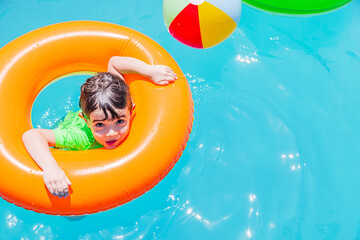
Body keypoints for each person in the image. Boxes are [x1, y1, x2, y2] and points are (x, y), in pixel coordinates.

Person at [22, 56, 178, 199]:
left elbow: (114, 63)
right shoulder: (79, 137)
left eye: (120, 122)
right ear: (86, 121)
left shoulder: (118, 102)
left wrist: (150, 71)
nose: (111, 133)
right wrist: (50, 168)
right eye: (99, 125)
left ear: (131, 111)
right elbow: (32, 135)